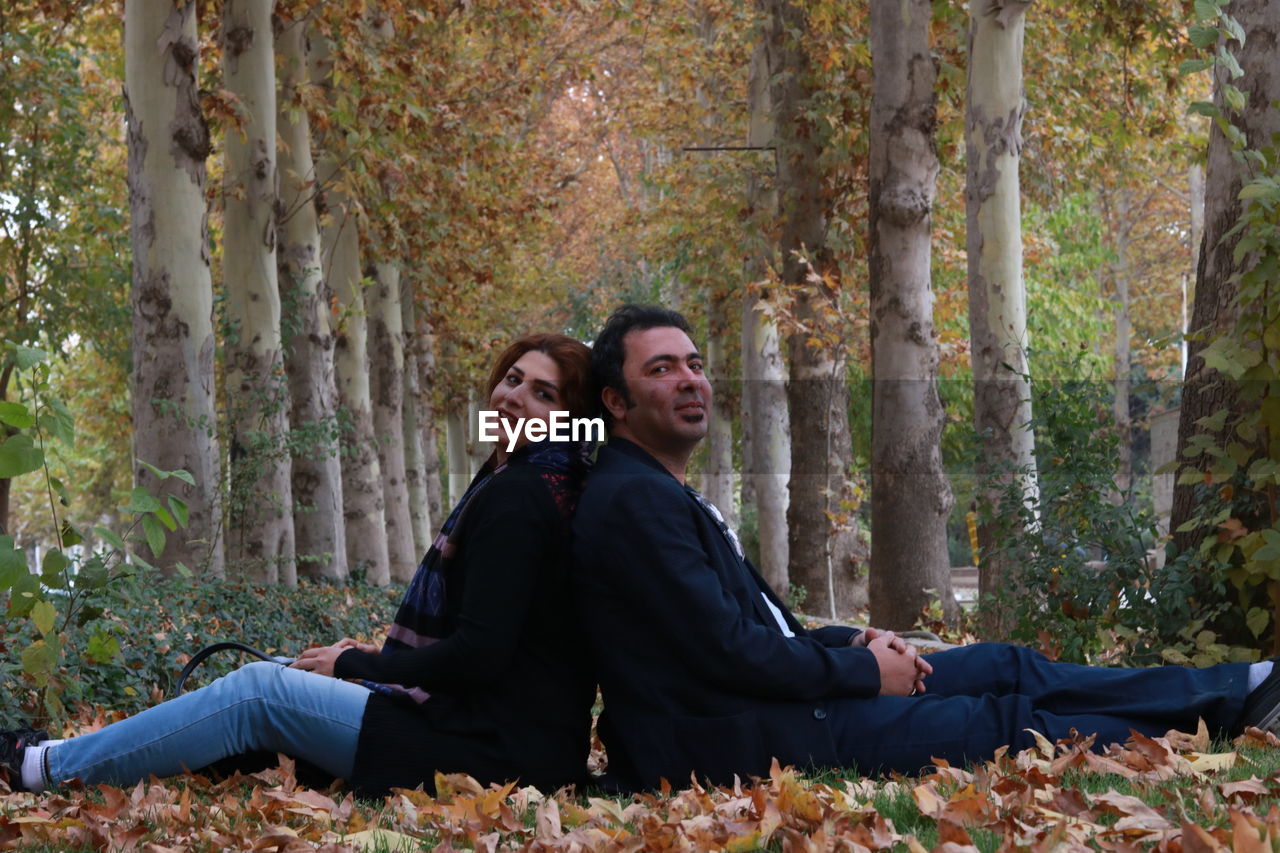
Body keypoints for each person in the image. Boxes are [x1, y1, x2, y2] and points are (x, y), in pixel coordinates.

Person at [571, 304, 1278, 790]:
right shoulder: (633, 498)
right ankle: (1224, 711)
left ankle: (1235, 688)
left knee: (1008, 663)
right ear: (616, 401)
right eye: (661, 369)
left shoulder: (658, 489)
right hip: (735, 740)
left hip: (772, 705)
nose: (690, 378)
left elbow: (765, 626)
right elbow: (726, 651)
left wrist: (861, 641)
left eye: (694, 363)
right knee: (1004, 720)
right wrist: (859, 672)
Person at [2, 333, 598, 796]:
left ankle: (39, 766)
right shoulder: (533, 482)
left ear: (572, 419)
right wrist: (365, 665)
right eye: (513, 379)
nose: (514, 396)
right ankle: (71, 754)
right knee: (288, 674)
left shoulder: (522, 495)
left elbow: (481, 655)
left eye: (543, 393)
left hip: (489, 755)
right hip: (499, 739)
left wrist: (361, 662)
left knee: (259, 691)